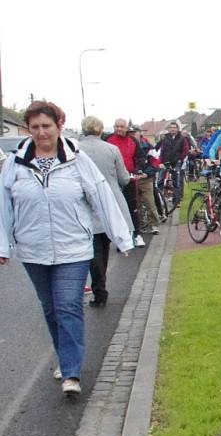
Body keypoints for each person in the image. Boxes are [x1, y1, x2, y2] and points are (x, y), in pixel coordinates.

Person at [0, 101, 133, 395]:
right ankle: (65, 356)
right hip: (33, 249)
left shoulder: (77, 159)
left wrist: (122, 237)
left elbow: (102, 197)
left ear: (59, 125)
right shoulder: (15, 163)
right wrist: (3, 245)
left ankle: (71, 372)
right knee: (50, 309)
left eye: (46, 126)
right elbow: (4, 206)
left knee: (68, 305)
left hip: (73, 247)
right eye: (35, 127)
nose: (41, 132)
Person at [79, 116, 134, 307]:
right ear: (101, 130)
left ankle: (99, 288)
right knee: (103, 243)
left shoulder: (75, 150)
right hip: (110, 200)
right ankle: (100, 286)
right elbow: (124, 178)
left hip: (85, 202)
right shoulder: (111, 149)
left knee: (94, 245)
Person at [107, 118, 146, 247]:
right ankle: (123, 238)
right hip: (113, 179)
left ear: (126, 128)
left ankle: (137, 234)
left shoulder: (133, 140)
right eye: (116, 126)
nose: (119, 129)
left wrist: (137, 169)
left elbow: (140, 156)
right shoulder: (108, 140)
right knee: (116, 209)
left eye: (121, 127)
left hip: (129, 177)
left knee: (133, 207)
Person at [159, 121, 189, 207]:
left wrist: (180, 159)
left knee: (177, 181)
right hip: (166, 161)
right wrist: (161, 162)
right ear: (169, 129)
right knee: (160, 179)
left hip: (176, 162)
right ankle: (159, 198)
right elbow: (162, 150)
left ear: (177, 129)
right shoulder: (165, 138)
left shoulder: (182, 138)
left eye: (174, 127)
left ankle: (176, 201)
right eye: (171, 127)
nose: (172, 129)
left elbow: (185, 150)